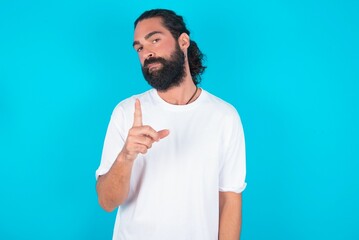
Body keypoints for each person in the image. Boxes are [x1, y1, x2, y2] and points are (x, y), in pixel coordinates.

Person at [96, 9, 246, 240]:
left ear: (183, 41)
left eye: (155, 39)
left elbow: (229, 199)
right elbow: (107, 201)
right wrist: (126, 156)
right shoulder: (126, 112)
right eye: (139, 48)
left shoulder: (224, 116)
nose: (146, 52)